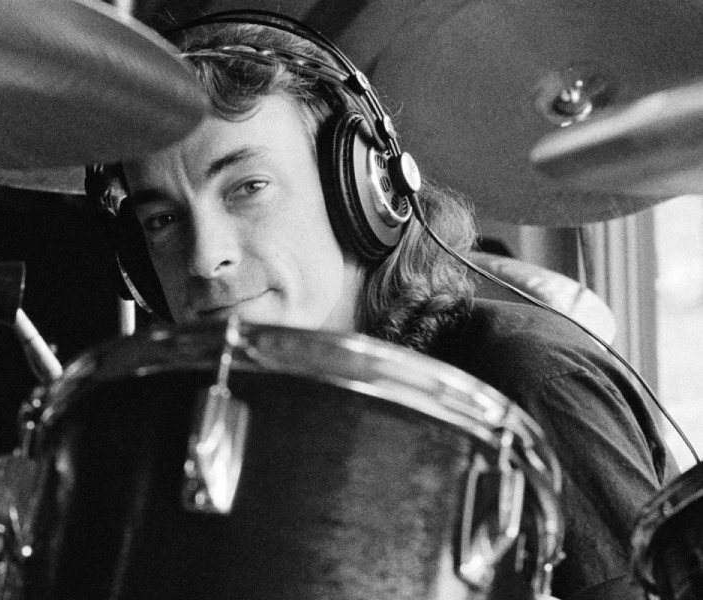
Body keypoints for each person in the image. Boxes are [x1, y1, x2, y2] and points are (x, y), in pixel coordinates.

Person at [86, 12, 680, 599]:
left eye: (248, 188)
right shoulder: (215, 435)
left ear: (362, 191)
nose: (203, 257)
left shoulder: (528, 377)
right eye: (162, 220)